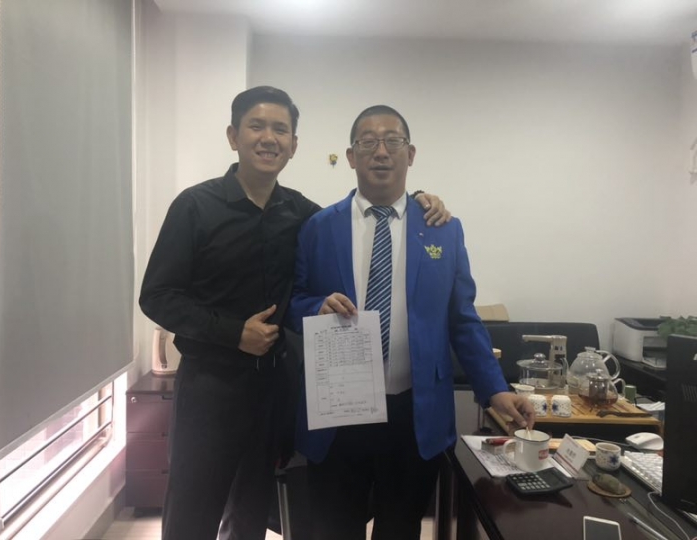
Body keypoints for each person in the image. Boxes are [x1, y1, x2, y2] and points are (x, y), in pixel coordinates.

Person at [139, 87, 451, 540]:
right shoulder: (195, 206)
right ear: (233, 136)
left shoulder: (302, 214)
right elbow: (157, 296)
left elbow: (362, 219)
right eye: (257, 126)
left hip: (274, 388)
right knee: (193, 509)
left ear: (294, 144)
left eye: (280, 129)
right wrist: (233, 333)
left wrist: (418, 200)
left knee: (251, 510)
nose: (269, 138)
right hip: (210, 386)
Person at [288, 105, 536, 540]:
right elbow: (293, 300)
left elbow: (462, 318)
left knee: (401, 530)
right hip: (339, 413)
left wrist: (495, 389)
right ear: (351, 157)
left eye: (393, 141)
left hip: (414, 415)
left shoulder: (443, 229)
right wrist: (315, 307)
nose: (381, 151)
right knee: (332, 530)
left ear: (411, 153)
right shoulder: (318, 228)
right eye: (368, 142)